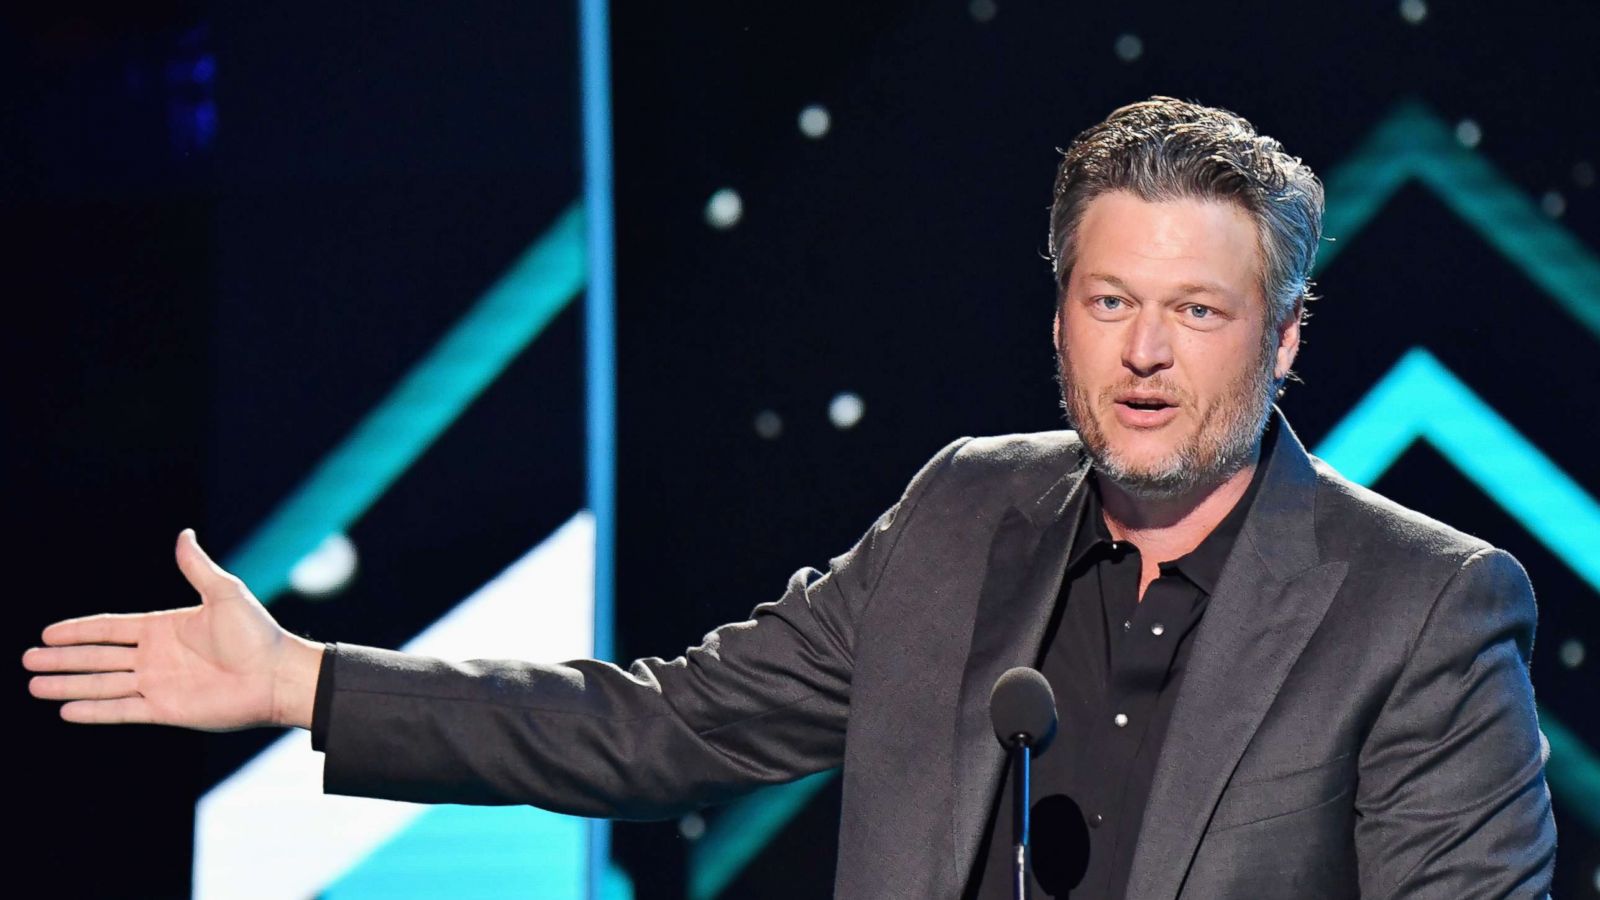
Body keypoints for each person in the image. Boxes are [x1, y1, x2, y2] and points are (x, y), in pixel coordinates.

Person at [24, 97, 1556, 899]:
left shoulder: (1421, 603)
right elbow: (663, 728)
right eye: (1108, 302)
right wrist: (304, 680)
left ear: (1286, 339)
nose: (1145, 355)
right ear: (1059, 318)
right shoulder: (965, 515)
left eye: (1200, 314)